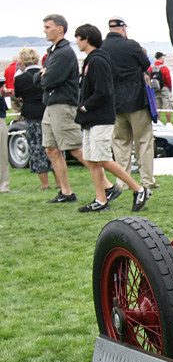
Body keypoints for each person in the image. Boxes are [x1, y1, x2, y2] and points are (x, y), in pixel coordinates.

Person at [72, 24, 148, 213]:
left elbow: (103, 91)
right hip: (91, 119)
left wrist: (85, 106)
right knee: (91, 159)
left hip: (100, 117)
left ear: (86, 39)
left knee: (103, 159)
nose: (76, 42)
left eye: (78, 38)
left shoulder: (97, 60)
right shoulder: (92, 60)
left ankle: (139, 189)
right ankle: (101, 199)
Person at [104, 16, 156, 192]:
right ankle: (147, 179)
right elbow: (146, 63)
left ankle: (123, 181)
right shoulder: (131, 45)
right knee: (144, 142)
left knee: (120, 144)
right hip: (136, 100)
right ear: (123, 28)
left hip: (114, 103)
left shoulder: (102, 48)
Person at [39, 13, 88, 203]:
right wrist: (42, 76)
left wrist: (42, 77)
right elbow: (44, 79)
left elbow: (49, 80)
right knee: (51, 148)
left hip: (63, 105)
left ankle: (107, 185)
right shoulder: (54, 51)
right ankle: (66, 191)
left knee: (75, 148)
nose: (45, 30)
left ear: (60, 28)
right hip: (51, 104)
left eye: (48, 27)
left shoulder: (64, 52)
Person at [13, 47, 53, 190]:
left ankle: (45, 184)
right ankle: (60, 182)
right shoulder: (45, 73)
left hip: (31, 113)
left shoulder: (20, 78)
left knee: (37, 148)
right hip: (47, 110)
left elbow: (18, 96)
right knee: (55, 148)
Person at [150, 52, 173, 123]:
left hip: (155, 89)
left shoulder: (150, 68)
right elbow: (168, 79)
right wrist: (170, 89)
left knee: (157, 107)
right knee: (167, 106)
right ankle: (168, 122)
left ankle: (157, 122)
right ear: (161, 58)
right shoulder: (164, 68)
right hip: (164, 88)